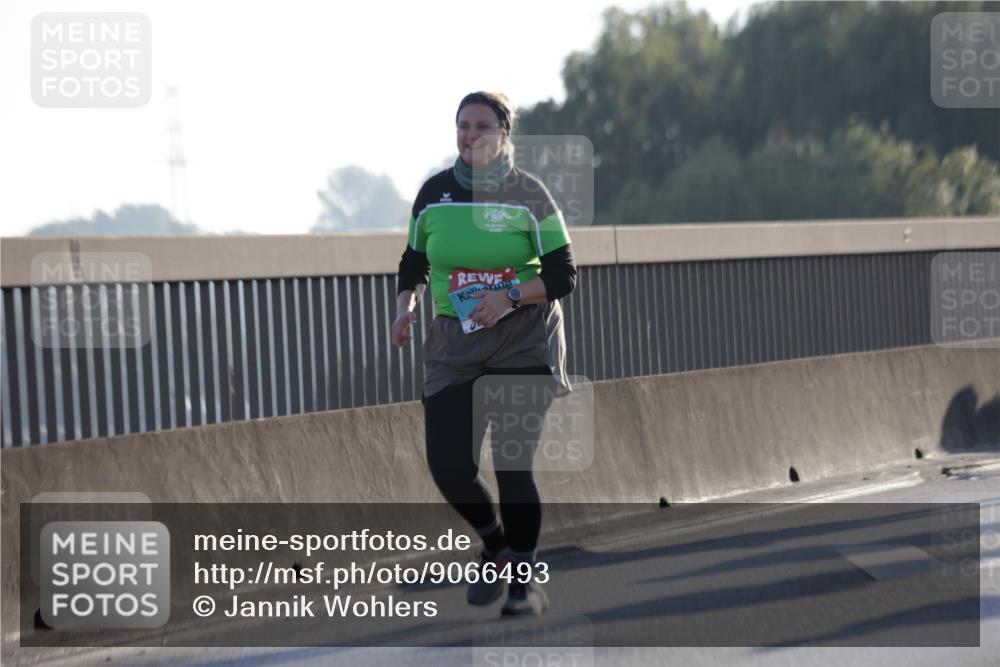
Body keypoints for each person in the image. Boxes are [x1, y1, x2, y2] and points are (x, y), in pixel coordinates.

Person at [391, 91, 577, 616]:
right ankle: (494, 543)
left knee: (514, 465)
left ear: (503, 135)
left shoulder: (530, 195)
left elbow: (564, 275)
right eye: (463, 126)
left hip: (523, 339)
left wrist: (509, 295)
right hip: (455, 342)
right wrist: (406, 307)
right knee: (449, 466)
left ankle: (522, 581)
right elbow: (414, 262)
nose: (471, 135)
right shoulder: (434, 194)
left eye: (482, 127)